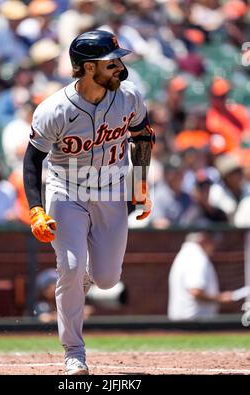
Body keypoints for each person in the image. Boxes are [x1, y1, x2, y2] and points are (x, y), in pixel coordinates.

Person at [23, 30, 155, 375]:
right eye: (111, 62)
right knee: (69, 266)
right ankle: (74, 352)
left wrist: (140, 185)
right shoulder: (54, 109)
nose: (119, 67)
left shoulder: (129, 99)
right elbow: (32, 161)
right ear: (85, 67)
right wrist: (36, 207)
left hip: (111, 189)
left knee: (108, 279)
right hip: (67, 190)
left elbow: (142, 136)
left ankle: (80, 278)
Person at [168, 232, 234, 321]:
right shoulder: (196, 257)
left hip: (186, 321)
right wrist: (220, 298)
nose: (215, 245)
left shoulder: (187, 253)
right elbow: (196, 292)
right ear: (203, 239)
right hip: (194, 323)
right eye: (213, 241)